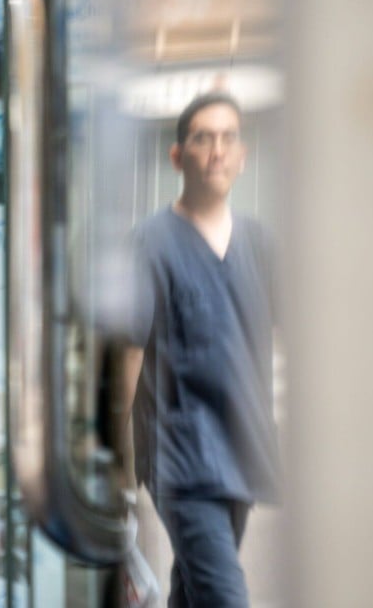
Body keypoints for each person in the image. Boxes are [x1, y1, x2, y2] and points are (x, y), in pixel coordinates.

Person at [117, 92, 279, 607]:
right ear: (178, 155)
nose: (217, 151)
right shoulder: (152, 241)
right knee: (225, 595)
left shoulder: (257, 240)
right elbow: (128, 355)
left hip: (241, 454)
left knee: (193, 589)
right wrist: (114, 463)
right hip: (181, 461)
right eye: (203, 138)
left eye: (228, 138)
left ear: (242, 154)